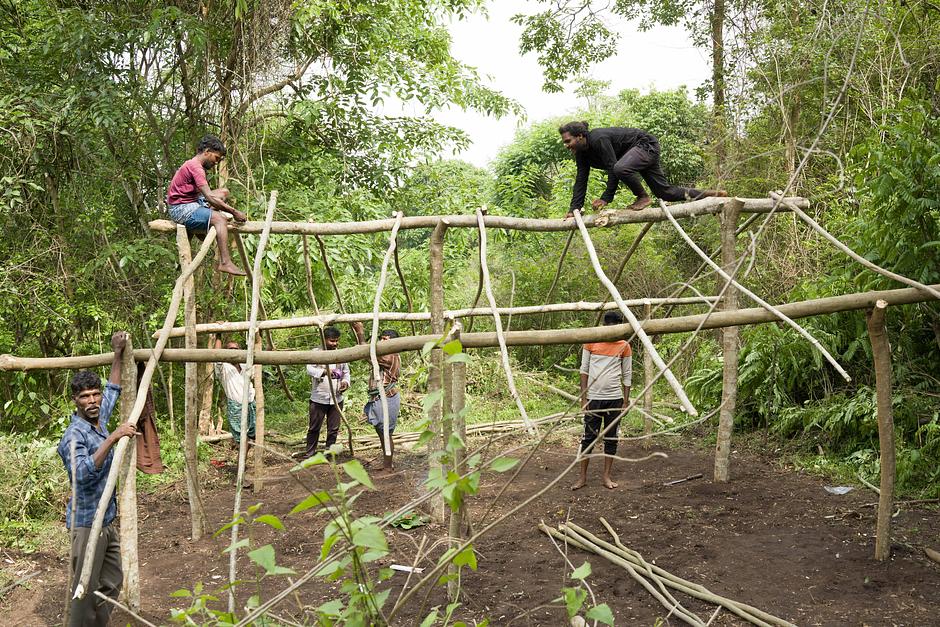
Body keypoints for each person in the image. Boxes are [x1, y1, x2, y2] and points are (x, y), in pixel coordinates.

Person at [57, 331, 137, 627]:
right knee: (83, 591)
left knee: (113, 580)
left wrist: (117, 353)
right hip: (86, 523)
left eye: (94, 394)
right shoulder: (74, 436)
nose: (92, 400)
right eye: (85, 397)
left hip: (105, 522)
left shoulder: (98, 419)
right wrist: (114, 437)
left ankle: (95, 624)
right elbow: (81, 475)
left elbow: (114, 388)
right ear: (75, 401)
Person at [558, 121, 727, 216]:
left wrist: (605, 198)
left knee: (619, 168)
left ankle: (642, 197)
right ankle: (712, 195)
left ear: (580, 136)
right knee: (665, 193)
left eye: (568, 141)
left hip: (645, 145)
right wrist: (575, 209)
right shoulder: (581, 154)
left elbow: (613, 168)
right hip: (635, 155)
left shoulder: (598, 139)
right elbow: (581, 180)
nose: (566, 146)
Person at [165, 135, 248, 276]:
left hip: (192, 201)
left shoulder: (195, 165)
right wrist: (234, 212)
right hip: (181, 208)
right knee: (219, 219)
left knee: (223, 192)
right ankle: (225, 263)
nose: (216, 162)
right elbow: (209, 197)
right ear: (207, 151)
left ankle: (203, 223)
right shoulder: (195, 167)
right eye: (216, 158)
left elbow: (208, 196)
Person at [573, 311, 632, 491]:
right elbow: (584, 370)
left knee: (611, 438)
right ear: (607, 326)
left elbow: (627, 374)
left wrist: (626, 400)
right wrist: (584, 398)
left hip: (614, 398)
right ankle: (582, 477)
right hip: (594, 399)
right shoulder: (591, 341)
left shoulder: (624, 346)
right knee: (588, 438)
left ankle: (606, 476)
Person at [351, 321, 402, 474]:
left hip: (387, 397)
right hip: (379, 398)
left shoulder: (391, 356)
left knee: (386, 432)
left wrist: (360, 333)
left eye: (386, 340)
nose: (382, 342)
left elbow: (366, 353)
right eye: (381, 339)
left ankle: (388, 465)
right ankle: (387, 464)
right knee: (381, 432)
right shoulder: (383, 355)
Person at [297, 326, 350, 459]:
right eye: (332, 341)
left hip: (336, 398)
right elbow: (309, 369)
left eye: (337, 341)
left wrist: (345, 382)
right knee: (314, 427)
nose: (335, 344)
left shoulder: (341, 354)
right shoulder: (316, 352)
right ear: (324, 339)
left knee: (333, 429)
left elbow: (346, 372)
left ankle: (329, 453)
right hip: (319, 398)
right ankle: (310, 453)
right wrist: (324, 372)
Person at [213, 336, 256, 447]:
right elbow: (216, 355)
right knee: (241, 439)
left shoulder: (245, 365)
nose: (233, 352)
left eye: (235, 349)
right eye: (230, 349)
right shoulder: (224, 368)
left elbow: (257, 359)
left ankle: (241, 463)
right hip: (236, 405)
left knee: (251, 436)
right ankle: (240, 464)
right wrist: (218, 334)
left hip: (251, 403)